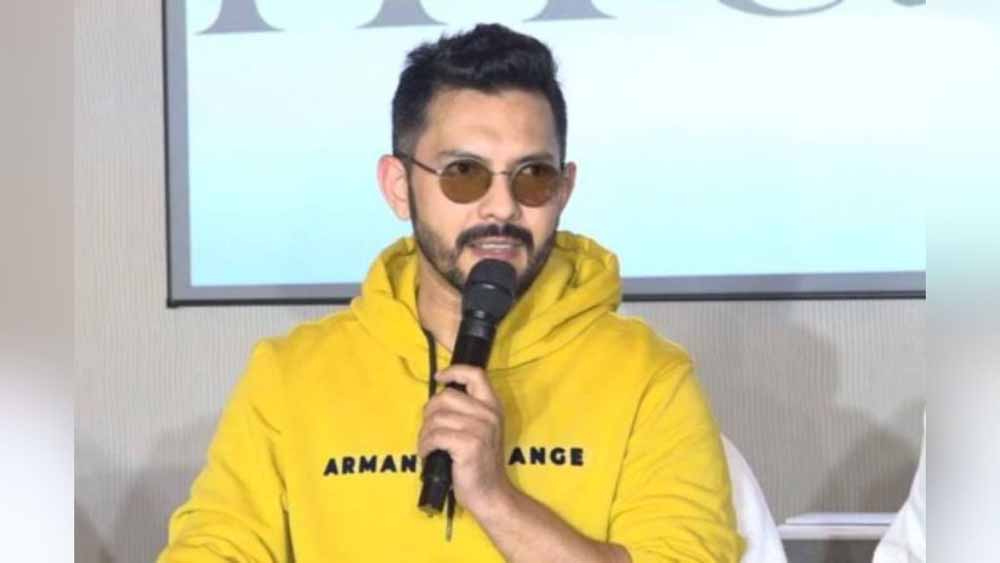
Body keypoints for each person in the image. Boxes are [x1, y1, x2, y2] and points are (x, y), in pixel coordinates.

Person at [158, 23, 743, 563]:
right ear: (398, 186)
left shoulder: (649, 377)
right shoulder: (289, 375)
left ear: (564, 189)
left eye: (533, 176)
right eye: (465, 173)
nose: (502, 207)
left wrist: (495, 497)